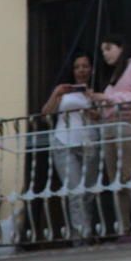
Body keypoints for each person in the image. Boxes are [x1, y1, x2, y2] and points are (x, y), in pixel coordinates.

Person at [87, 33, 131, 239]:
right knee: (116, 181)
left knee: (130, 175)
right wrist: (98, 109)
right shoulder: (114, 77)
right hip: (109, 128)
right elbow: (110, 105)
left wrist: (106, 97)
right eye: (102, 51)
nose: (105, 54)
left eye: (108, 48)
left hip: (126, 125)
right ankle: (124, 229)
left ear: (121, 47)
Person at [41, 51, 99, 241]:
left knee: (88, 193)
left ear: (91, 69)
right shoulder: (64, 91)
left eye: (85, 66)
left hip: (89, 142)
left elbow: (102, 116)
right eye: (77, 67)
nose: (81, 70)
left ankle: (87, 234)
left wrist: (92, 102)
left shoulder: (97, 90)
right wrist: (56, 93)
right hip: (64, 143)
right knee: (75, 192)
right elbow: (45, 113)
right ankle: (79, 239)